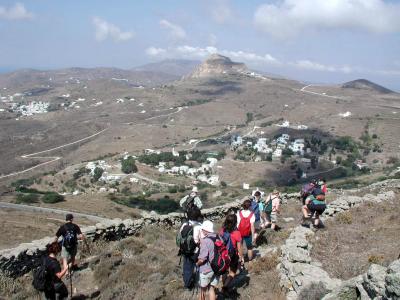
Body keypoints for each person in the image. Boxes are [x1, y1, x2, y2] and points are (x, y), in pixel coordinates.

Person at [178, 207, 202, 290]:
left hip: (185, 250)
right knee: (198, 266)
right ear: (198, 216)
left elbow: (180, 236)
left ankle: (187, 283)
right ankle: (197, 282)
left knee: (187, 266)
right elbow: (200, 240)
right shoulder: (199, 226)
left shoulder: (185, 224)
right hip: (196, 251)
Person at [220, 214, 243, 295]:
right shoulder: (236, 232)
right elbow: (239, 246)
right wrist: (241, 256)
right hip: (232, 255)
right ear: (235, 222)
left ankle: (224, 284)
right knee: (233, 272)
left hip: (223, 253)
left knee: (224, 271)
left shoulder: (222, 230)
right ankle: (225, 287)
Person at [196, 220, 219, 300]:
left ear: (205, 230)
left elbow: (202, 259)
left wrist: (196, 264)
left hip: (206, 270)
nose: (202, 230)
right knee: (211, 288)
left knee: (202, 291)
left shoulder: (206, 241)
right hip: (216, 268)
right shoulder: (218, 237)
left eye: (202, 229)